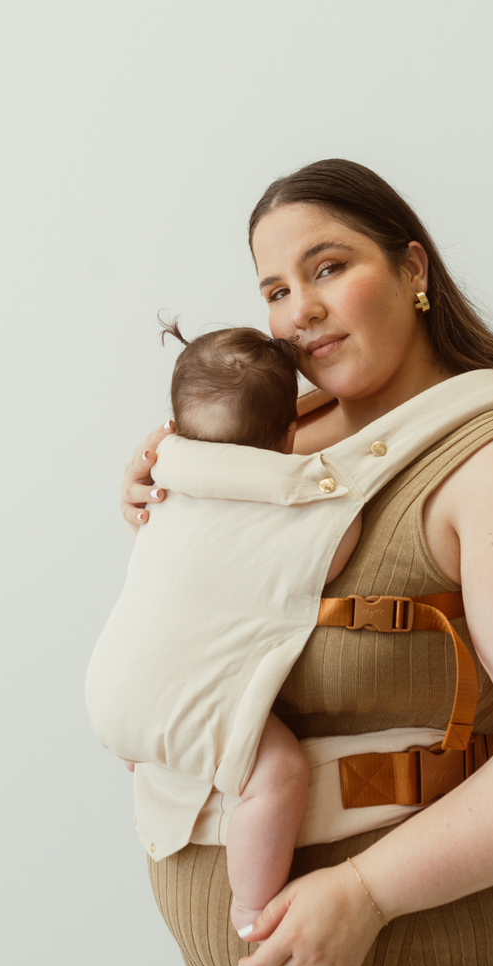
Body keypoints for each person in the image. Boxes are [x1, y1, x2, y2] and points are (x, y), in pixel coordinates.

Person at [118, 159, 493, 966]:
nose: (300, 307)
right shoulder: (274, 440)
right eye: (275, 287)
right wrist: (152, 500)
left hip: (404, 964)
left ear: (415, 270)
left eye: (329, 267)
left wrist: (367, 893)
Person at [87, 323, 363, 931]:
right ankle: (251, 904)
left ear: (175, 426)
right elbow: (339, 549)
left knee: (172, 700)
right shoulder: (295, 506)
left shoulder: (161, 485)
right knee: (280, 773)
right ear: (291, 433)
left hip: (110, 697)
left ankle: (153, 743)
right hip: (175, 711)